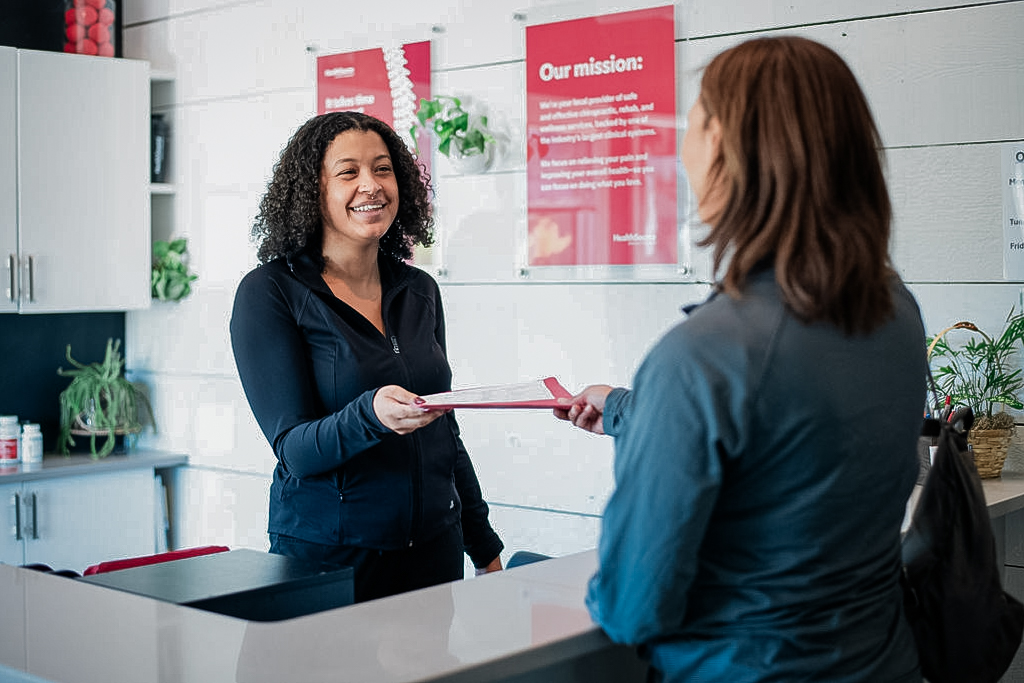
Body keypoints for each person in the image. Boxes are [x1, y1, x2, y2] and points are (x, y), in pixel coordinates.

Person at [555, 36, 925, 682]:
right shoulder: (894, 310)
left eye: (694, 122)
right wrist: (625, 409)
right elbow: (786, 434)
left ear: (722, 146)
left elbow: (631, 603)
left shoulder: (703, 355)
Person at [230, 111, 503, 603]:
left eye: (382, 169)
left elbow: (444, 429)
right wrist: (370, 415)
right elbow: (295, 450)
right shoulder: (271, 292)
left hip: (433, 556)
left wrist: (482, 544)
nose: (371, 185)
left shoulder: (418, 289)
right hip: (330, 561)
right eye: (348, 172)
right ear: (312, 190)